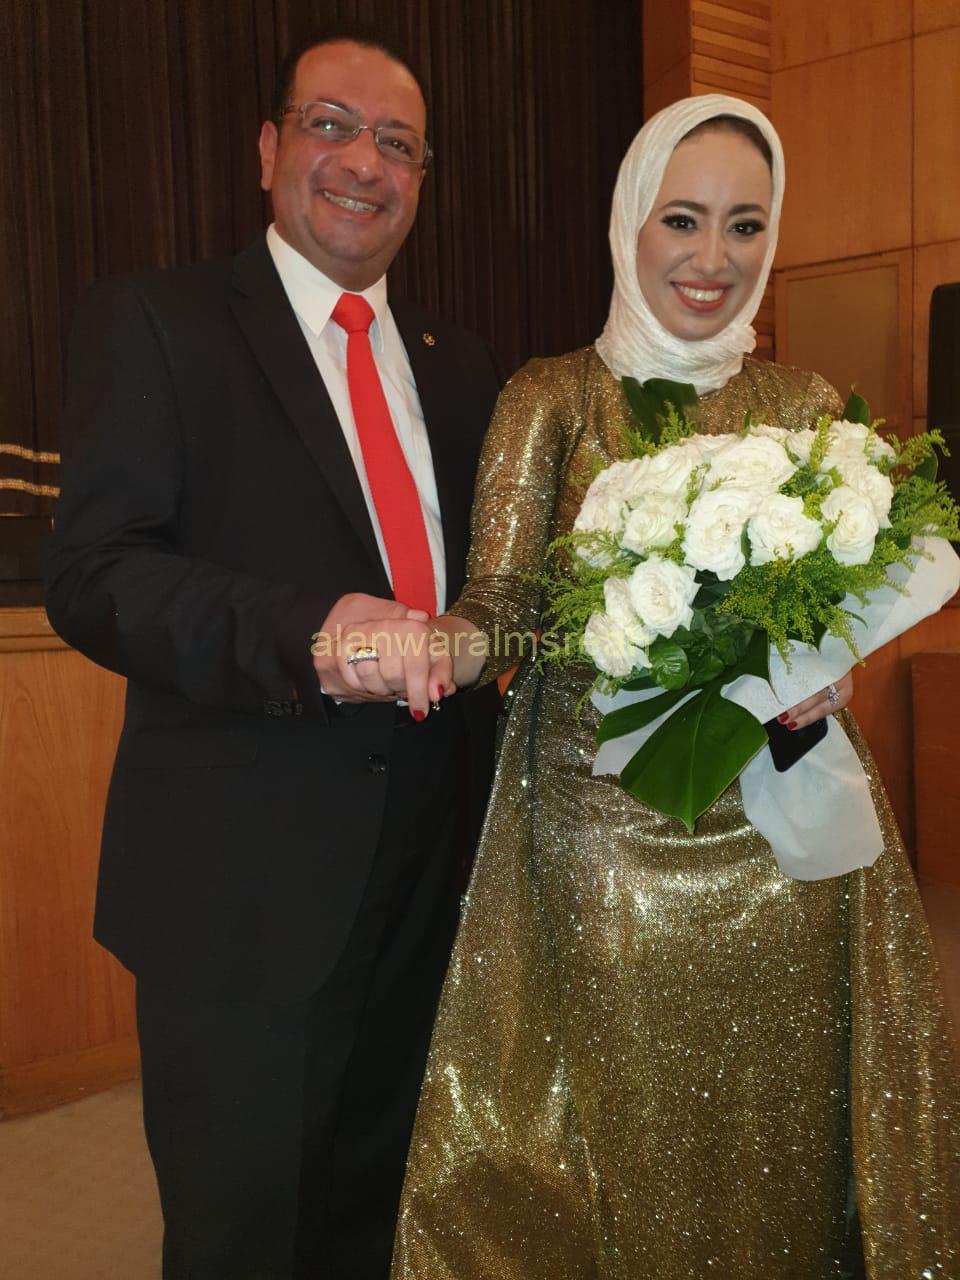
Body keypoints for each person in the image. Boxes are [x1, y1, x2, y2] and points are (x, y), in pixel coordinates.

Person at [389, 95, 960, 1278]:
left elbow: (839, 603)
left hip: (784, 835)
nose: (713, 257)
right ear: (629, 224)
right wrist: (452, 642)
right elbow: (510, 602)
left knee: (786, 1114)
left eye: (745, 225)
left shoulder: (805, 406)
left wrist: (836, 669)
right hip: (605, 829)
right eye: (683, 219)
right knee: (625, 1122)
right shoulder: (551, 397)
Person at [45, 26, 500, 1280]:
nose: (364, 161)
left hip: (432, 870)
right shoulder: (156, 320)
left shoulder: (463, 367)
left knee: (376, 1217)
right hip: (242, 890)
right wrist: (312, 636)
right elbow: (94, 574)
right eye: (330, 125)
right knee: (240, 1237)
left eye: (398, 143)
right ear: (267, 148)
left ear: (422, 178)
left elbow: (502, 589)